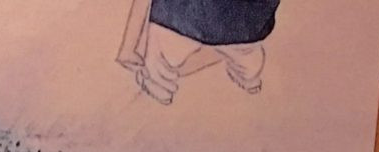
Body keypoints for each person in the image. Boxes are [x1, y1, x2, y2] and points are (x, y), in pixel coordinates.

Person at [118, 0, 280, 103]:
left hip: (185, 22)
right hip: (248, 27)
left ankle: (158, 84)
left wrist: (128, 47)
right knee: (247, 56)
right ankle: (247, 70)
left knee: (159, 67)